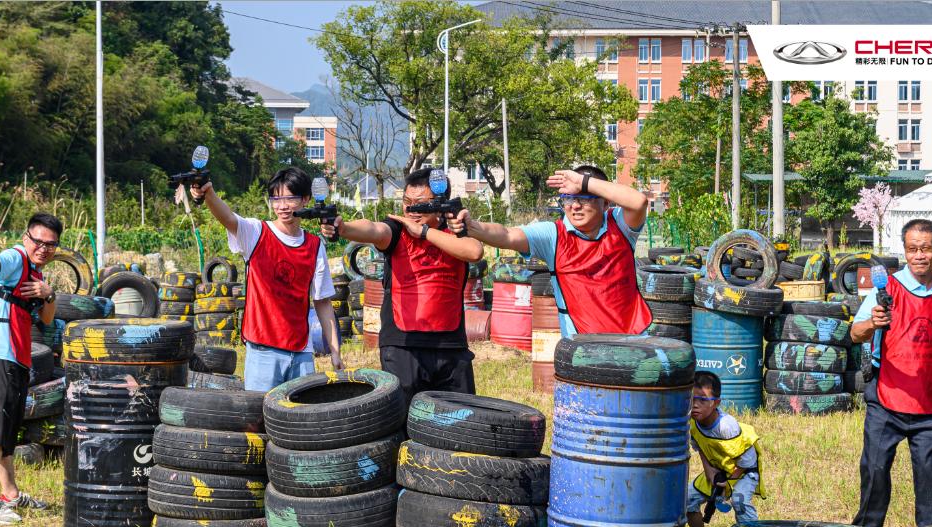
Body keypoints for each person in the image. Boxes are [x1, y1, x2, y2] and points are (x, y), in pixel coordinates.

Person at [850, 218, 932, 527]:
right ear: (904, 251)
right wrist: (873, 323)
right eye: (912, 249)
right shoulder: (885, 289)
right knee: (874, 471)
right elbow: (855, 332)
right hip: (885, 396)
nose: (919, 255)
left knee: (930, 478)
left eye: (925, 248)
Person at [321, 168, 483, 407]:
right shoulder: (397, 229)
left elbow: (475, 251)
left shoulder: (454, 232)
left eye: (420, 204)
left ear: (439, 204)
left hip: (451, 345)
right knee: (403, 422)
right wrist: (343, 228)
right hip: (403, 344)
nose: (411, 210)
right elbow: (374, 229)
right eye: (406, 202)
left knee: (459, 423)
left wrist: (425, 233)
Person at [191, 168, 342, 391]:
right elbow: (227, 217)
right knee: (259, 418)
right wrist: (208, 192)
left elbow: (322, 302)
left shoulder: (315, 246)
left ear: (306, 199)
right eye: (276, 198)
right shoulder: (256, 232)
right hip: (263, 351)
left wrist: (335, 351)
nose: (282, 206)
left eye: (290, 198)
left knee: (299, 420)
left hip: (302, 352)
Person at [464, 165, 651, 337]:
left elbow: (639, 202)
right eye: (569, 199)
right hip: (582, 347)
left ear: (605, 204)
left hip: (634, 338)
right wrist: (471, 227)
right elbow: (507, 235)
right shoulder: (554, 235)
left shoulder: (619, 224)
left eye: (584, 199)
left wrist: (582, 182)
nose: (575, 206)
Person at [0, 213, 61, 525]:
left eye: (51, 244)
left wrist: (49, 294)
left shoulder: (36, 274)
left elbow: (47, 319)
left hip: (17, 357)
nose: (43, 248)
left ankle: (11, 494)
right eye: (38, 241)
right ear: (26, 237)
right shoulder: (16, 258)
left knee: (9, 427)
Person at [685, 372, 766, 527]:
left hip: (743, 472)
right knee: (687, 500)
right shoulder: (692, 422)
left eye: (702, 400)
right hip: (718, 471)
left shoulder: (726, 426)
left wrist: (728, 484)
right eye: (692, 398)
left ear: (716, 403)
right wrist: (709, 474)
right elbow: (701, 449)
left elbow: (747, 460)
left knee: (740, 501)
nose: (695, 404)